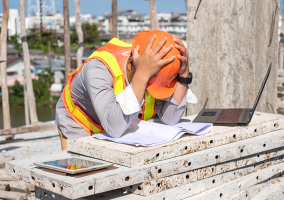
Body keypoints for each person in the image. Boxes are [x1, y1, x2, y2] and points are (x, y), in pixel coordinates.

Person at [55, 30, 197, 150]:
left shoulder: (159, 68)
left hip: (121, 126)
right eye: (148, 84)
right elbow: (114, 127)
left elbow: (171, 118)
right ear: (130, 64)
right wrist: (143, 74)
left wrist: (183, 76)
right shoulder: (98, 69)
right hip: (81, 126)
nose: (149, 91)